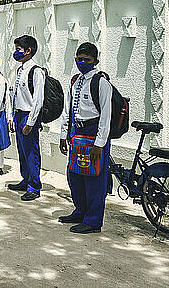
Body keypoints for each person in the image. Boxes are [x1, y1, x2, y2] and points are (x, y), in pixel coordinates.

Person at [58, 42, 113, 234]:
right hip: (76, 132)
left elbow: (106, 114)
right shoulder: (75, 81)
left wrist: (100, 143)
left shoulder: (101, 82)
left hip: (93, 132)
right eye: (79, 59)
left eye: (87, 60)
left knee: (94, 178)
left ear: (95, 61)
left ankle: (93, 220)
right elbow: (68, 109)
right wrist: (64, 134)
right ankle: (80, 211)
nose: (82, 62)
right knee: (75, 175)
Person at [8, 35, 45, 201]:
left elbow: (38, 100)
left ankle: (34, 186)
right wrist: (11, 116)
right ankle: (26, 178)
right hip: (18, 114)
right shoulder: (20, 70)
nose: (16, 53)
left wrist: (30, 122)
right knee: (22, 151)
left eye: (19, 50)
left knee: (31, 151)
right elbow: (15, 94)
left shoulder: (36, 71)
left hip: (29, 115)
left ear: (29, 51)